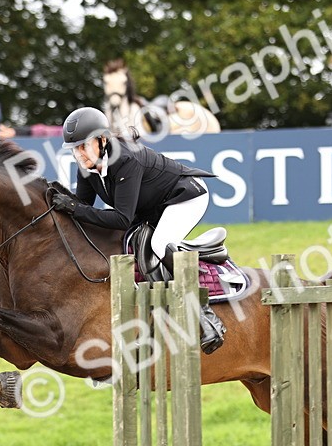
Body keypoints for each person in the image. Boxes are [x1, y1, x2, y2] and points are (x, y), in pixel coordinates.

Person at [48, 106, 226, 353]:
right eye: (75, 149)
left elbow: (121, 218)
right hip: (152, 208)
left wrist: (74, 209)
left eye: (84, 146)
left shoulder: (125, 160)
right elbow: (84, 207)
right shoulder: (87, 168)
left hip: (185, 197)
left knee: (159, 244)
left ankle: (206, 317)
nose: (80, 154)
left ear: (102, 139)